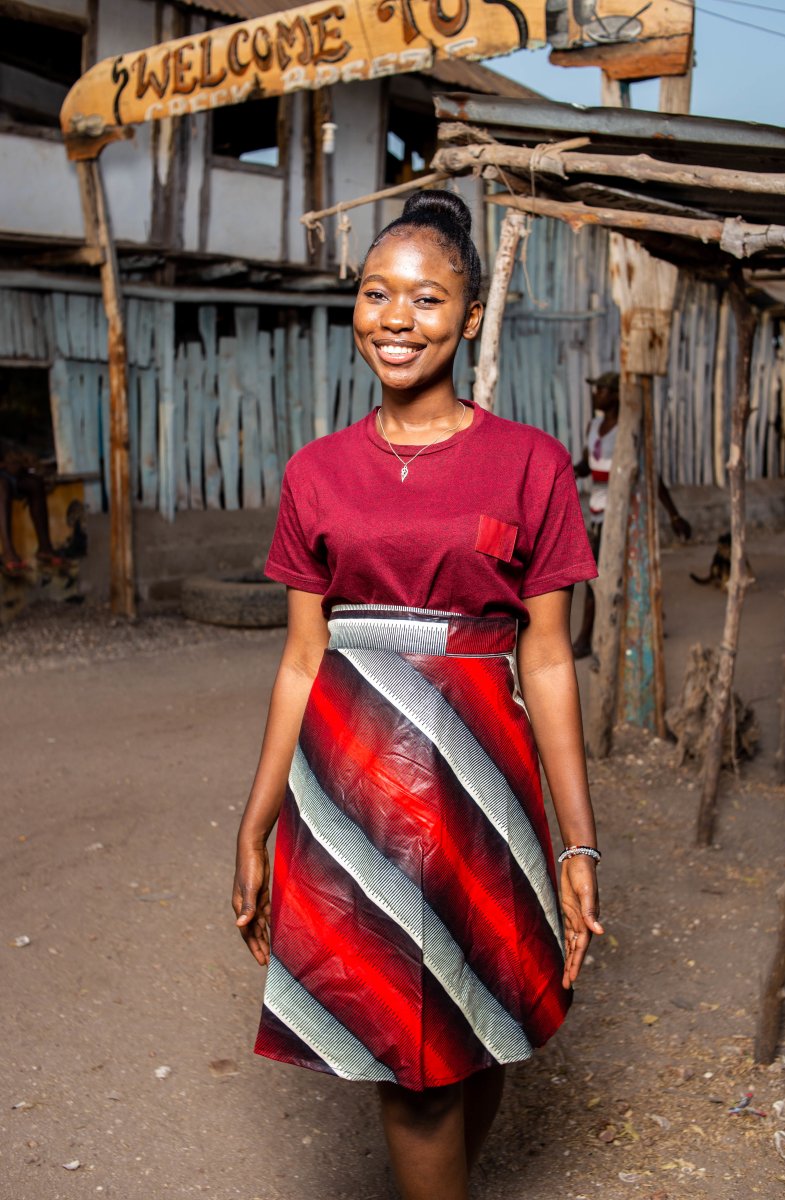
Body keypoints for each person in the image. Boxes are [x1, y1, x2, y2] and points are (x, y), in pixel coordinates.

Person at [232, 190, 603, 1200]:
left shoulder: (529, 465)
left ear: (470, 317)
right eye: (375, 293)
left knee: (475, 1029)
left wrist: (575, 840)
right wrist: (258, 819)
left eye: (427, 298)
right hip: (349, 791)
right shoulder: (316, 474)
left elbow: (549, 662)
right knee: (413, 1058)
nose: (397, 318)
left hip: (485, 788)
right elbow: (303, 659)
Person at [572, 372, 692, 660]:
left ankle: (587, 637)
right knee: (601, 576)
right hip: (597, 513)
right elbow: (589, 464)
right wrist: (569, 471)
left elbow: (651, 476)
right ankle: (636, 624)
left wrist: (674, 515)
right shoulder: (595, 425)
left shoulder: (627, 431)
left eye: (601, 389)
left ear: (615, 395)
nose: (595, 393)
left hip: (622, 516)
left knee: (617, 574)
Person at [0, 440, 68, 576]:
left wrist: (16, 465)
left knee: (35, 484)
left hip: (5, 474)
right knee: (1, 488)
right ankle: (8, 552)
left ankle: (45, 548)